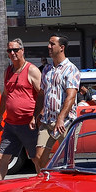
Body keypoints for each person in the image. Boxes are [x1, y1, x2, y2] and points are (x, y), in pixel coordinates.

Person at [0, 38, 42, 180]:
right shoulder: (8, 71)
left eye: (15, 50)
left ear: (22, 50)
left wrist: (35, 117)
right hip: (11, 125)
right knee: (1, 157)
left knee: (37, 159)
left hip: (28, 125)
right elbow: (5, 95)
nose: (13, 53)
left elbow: (42, 95)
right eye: (10, 50)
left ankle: (45, 188)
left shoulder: (32, 70)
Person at [33, 35, 80, 171]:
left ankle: (67, 187)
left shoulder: (71, 69)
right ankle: (46, 185)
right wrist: (37, 114)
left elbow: (71, 96)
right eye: (49, 43)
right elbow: (42, 93)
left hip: (65, 122)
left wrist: (60, 118)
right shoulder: (47, 69)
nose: (49, 46)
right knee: (39, 157)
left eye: (52, 44)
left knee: (68, 161)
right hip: (47, 121)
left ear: (61, 48)